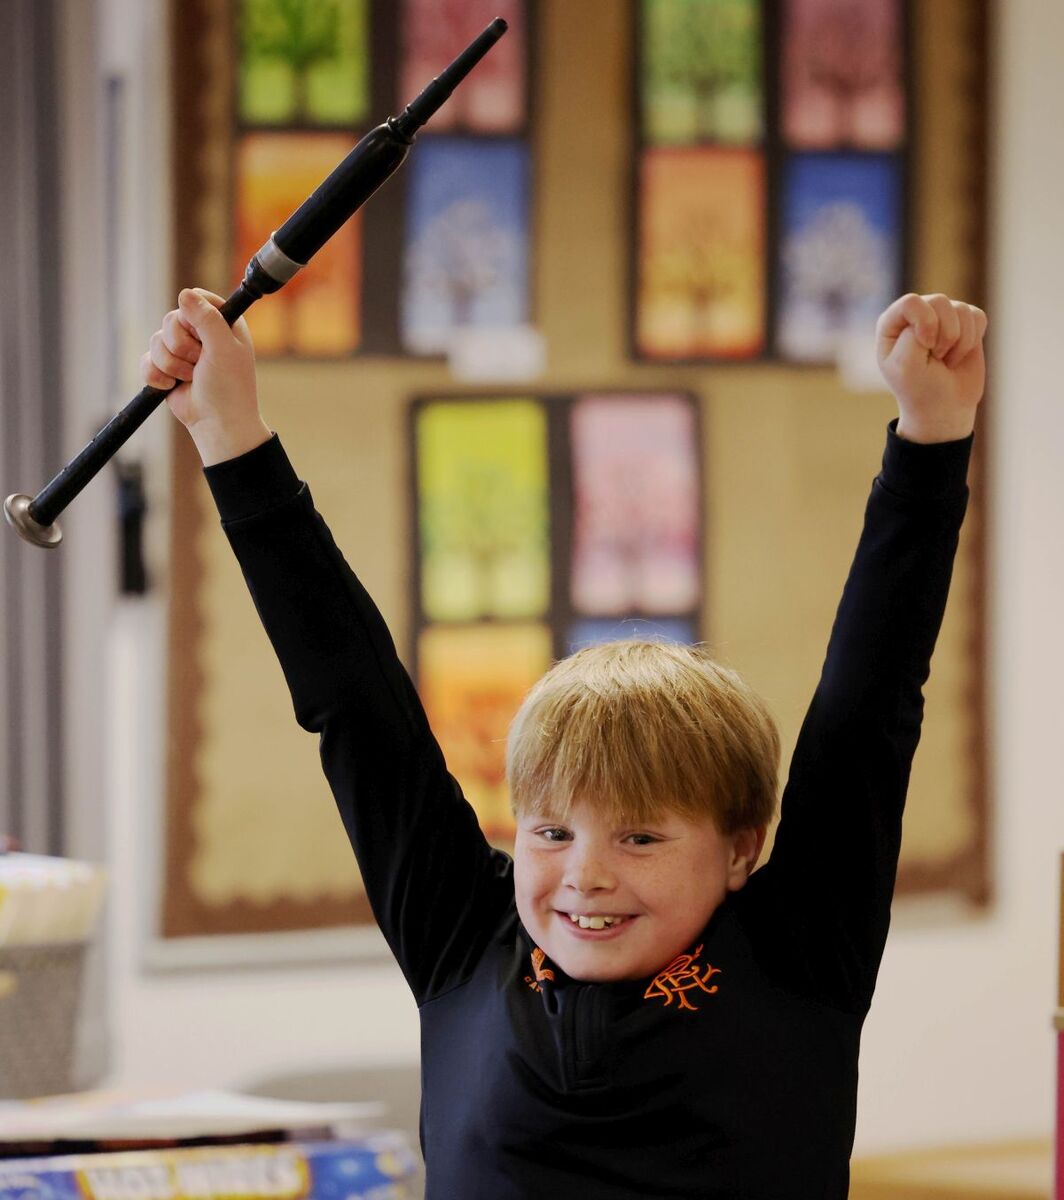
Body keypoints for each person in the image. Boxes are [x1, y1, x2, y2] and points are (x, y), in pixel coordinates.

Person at [143, 289, 987, 1199]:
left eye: (640, 836)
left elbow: (872, 700)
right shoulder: (462, 939)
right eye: (551, 833)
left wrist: (931, 439)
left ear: (742, 846)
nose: (584, 875)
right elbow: (353, 705)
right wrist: (230, 433)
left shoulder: (800, 950)